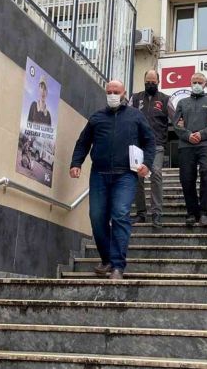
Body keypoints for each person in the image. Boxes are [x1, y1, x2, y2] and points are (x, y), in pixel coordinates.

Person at [70, 80, 155, 280]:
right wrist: (76, 163)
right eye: (109, 91)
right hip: (99, 174)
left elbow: (150, 141)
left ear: (124, 92)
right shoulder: (97, 117)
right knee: (97, 218)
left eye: (116, 91)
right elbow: (83, 142)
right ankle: (107, 258)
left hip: (126, 175)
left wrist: (147, 164)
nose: (112, 94)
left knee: (120, 215)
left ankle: (117, 265)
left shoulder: (136, 116)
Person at [173, 73, 207, 226]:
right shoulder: (182, 102)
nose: (197, 84)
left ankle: (204, 212)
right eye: (194, 82)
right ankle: (191, 213)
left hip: (206, 145)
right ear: (190, 83)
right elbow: (176, 124)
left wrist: (201, 134)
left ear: (205, 84)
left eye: (200, 82)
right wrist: (188, 135)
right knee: (187, 178)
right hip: (186, 145)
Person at [129, 69, 171, 227]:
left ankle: (156, 213)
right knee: (138, 177)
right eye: (148, 82)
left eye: (153, 82)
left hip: (157, 144)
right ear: (144, 81)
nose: (150, 84)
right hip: (137, 145)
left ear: (158, 82)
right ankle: (141, 213)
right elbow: (127, 115)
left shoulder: (165, 99)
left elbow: (176, 117)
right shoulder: (135, 98)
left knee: (156, 173)